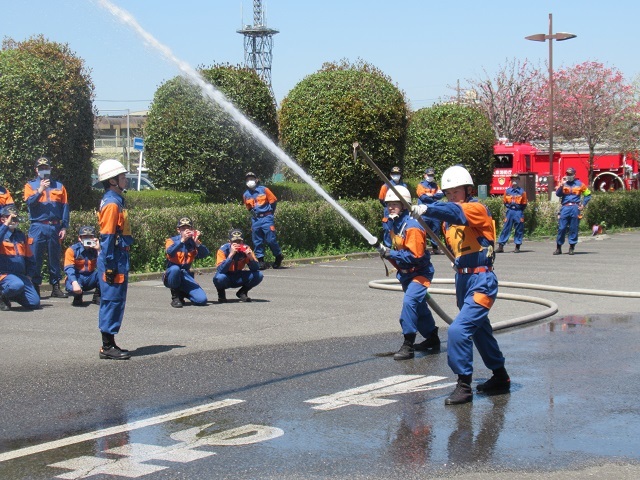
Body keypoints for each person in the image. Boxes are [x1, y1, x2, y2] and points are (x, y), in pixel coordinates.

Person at [411, 165, 510, 405]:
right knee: (480, 330)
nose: (452, 196)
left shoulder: (476, 208)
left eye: (456, 191)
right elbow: (447, 225)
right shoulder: (447, 222)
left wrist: (428, 207)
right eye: (448, 192)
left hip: (482, 281)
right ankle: (500, 376)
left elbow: (455, 211)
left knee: (458, 330)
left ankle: (464, 385)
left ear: (468, 190)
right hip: (463, 280)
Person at [376, 185, 440, 361]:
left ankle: (408, 344)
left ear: (404, 205)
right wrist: (385, 249)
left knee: (410, 302)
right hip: (405, 274)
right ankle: (432, 338)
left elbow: (415, 256)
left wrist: (391, 253)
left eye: (395, 204)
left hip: (420, 272)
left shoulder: (412, 226)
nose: (391, 207)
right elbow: (393, 245)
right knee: (419, 306)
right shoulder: (394, 223)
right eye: (389, 204)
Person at [96, 159, 133, 360]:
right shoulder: (112, 204)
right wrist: (110, 264)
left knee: (116, 300)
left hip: (118, 255)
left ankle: (110, 343)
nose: (125, 180)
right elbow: (108, 235)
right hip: (113, 258)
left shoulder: (116, 200)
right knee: (112, 300)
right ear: (112, 181)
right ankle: (107, 346)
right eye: (122, 177)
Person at [23, 156, 69, 299]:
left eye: (46, 167)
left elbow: (65, 207)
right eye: (41, 168)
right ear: (36, 170)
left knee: (54, 258)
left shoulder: (59, 186)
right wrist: (40, 190)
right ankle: (35, 286)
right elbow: (29, 203)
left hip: (54, 226)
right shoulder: (30, 186)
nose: (44, 170)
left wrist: (64, 227)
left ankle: (55, 286)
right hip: (37, 226)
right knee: (35, 257)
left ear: (50, 169)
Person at [163, 216, 210, 308]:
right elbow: (170, 252)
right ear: (178, 230)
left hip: (186, 275)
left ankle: (183, 292)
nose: (186, 230)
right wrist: (182, 241)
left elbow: (205, 254)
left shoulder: (193, 242)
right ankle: (175, 297)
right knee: (175, 269)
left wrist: (197, 243)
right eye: (183, 228)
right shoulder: (171, 240)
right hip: (172, 274)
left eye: (188, 228)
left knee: (202, 300)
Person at [0, 206, 40, 311]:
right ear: (2, 219)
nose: (13, 220)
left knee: (34, 303)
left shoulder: (20, 235)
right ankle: (2, 296)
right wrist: (6, 225)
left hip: (20, 275)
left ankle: (10, 294)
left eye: (15, 217)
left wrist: (30, 275)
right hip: (4, 274)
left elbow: (30, 258)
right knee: (16, 285)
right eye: (9, 217)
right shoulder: (1, 232)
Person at [242, 172, 284, 270]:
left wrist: (270, 213)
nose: (250, 181)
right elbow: (248, 207)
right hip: (256, 219)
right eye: (248, 179)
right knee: (257, 241)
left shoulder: (264, 190)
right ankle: (261, 261)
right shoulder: (246, 194)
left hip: (266, 218)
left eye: (251, 179)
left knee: (271, 239)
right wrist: (254, 214)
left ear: (256, 180)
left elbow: (273, 201)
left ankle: (278, 256)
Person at [213, 228, 263, 303]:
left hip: (239, 275)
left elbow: (255, 268)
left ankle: (242, 292)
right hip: (227, 276)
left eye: (239, 241)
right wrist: (230, 255)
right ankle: (221, 294)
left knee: (259, 275)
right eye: (234, 242)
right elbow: (220, 270)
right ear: (229, 242)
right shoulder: (223, 250)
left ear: (243, 241)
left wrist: (250, 258)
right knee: (219, 278)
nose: (237, 244)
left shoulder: (246, 248)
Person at [554, 167, 591, 255]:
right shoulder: (564, 184)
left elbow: (588, 194)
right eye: (568, 174)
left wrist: (583, 205)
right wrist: (562, 185)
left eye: (570, 174)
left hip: (575, 207)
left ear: (574, 174)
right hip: (565, 207)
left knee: (573, 228)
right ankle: (558, 248)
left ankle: (572, 247)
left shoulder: (580, 184)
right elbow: (558, 194)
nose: (569, 176)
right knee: (562, 228)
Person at [63, 225, 101, 306]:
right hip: (78, 277)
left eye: (90, 237)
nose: (88, 239)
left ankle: (97, 295)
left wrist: (98, 250)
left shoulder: (97, 249)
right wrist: (74, 283)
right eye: (85, 237)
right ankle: (78, 296)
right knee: (70, 282)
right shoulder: (72, 250)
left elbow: (103, 266)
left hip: (91, 277)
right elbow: (69, 268)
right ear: (79, 238)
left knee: (104, 275)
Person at [416, 167, 445, 254]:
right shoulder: (420, 185)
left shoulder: (436, 185)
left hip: (434, 211)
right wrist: (434, 196)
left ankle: (435, 248)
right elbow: (422, 197)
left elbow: (441, 195)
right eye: (429, 175)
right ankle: (422, 249)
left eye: (432, 175)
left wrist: (430, 195)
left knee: (435, 230)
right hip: (424, 211)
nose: (430, 177)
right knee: (422, 231)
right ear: (425, 175)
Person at [496, 173, 528, 253]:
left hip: (518, 211)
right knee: (506, 228)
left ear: (519, 180)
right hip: (510, 211)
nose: (514, 180)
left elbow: (524, 204)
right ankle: (501, 247)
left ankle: (517, 246)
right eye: (513, 179)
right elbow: (505, 202)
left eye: (516, 179)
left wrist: (519, 209)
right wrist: (510, 207)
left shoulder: (522, 192)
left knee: (519, 229)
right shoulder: (507, 191)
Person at [378, 166, 408, 248]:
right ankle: (387, 247)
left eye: (397, 173)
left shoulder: (404, 186)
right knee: (388, 229)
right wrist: (390, 206)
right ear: (391, 174)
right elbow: (381, 198)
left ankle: (400, 246)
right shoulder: (385, 186)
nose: (396, 175)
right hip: (389, 211)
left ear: (400, 174)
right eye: (394, 173)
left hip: (402, 212)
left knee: (402, 228)